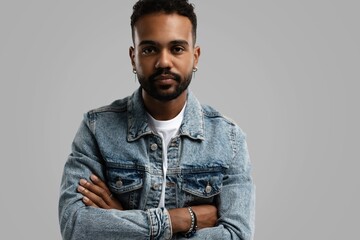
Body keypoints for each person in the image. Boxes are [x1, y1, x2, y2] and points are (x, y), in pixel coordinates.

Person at [58, 0, 255, 239]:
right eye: (150, 49)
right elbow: (75, 226)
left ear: (195, 56)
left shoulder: (229, 138)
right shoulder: (97, 129)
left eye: (177, 49)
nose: (164, 62)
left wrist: (122, 219)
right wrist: (181, 219)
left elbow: (238, 235)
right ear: (133, 57)